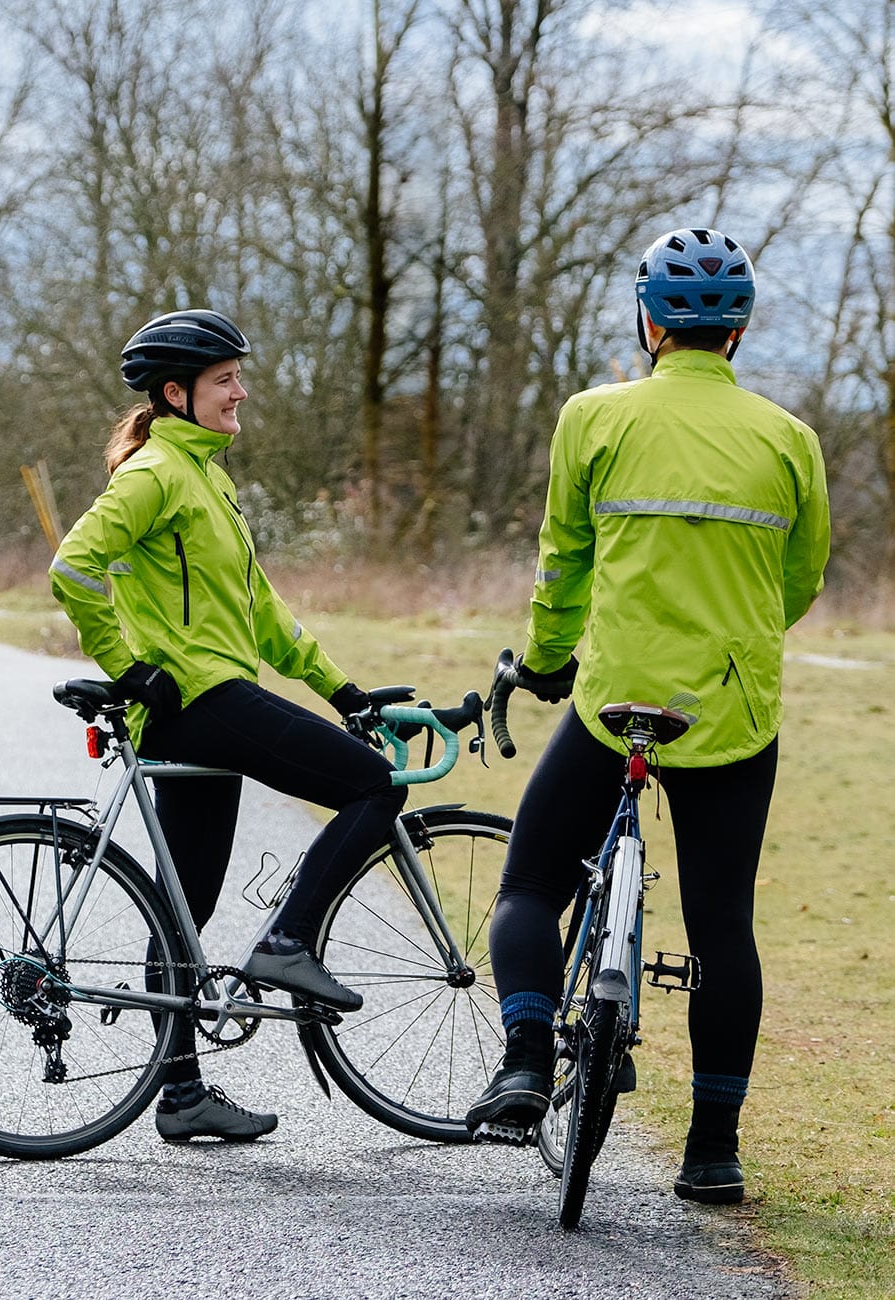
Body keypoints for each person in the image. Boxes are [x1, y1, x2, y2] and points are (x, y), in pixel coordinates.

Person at [466, 228, 830, 1204]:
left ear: (647, 320)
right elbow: (799, 582)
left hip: (612, 697)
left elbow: (561, 564)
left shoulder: (591, 417)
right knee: (720, 926)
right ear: (739, 330)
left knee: (533, 882)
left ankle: (525, 1063)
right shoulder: (787, 439)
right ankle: (713, 1148)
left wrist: (544, 660)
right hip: (730, 706)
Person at [50, 308, 405, 1144]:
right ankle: (286, 941)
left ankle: (179, 1096)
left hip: (208, 702)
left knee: (187, 907)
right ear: (176, 394)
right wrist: (129, 667)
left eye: (239, 377)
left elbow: (263, 614)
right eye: (225, 380)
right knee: (375, 783)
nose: (241, 391)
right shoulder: (155, 474)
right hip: (197, 702)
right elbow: (75, 567)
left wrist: (341, 689)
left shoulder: (208, 477)